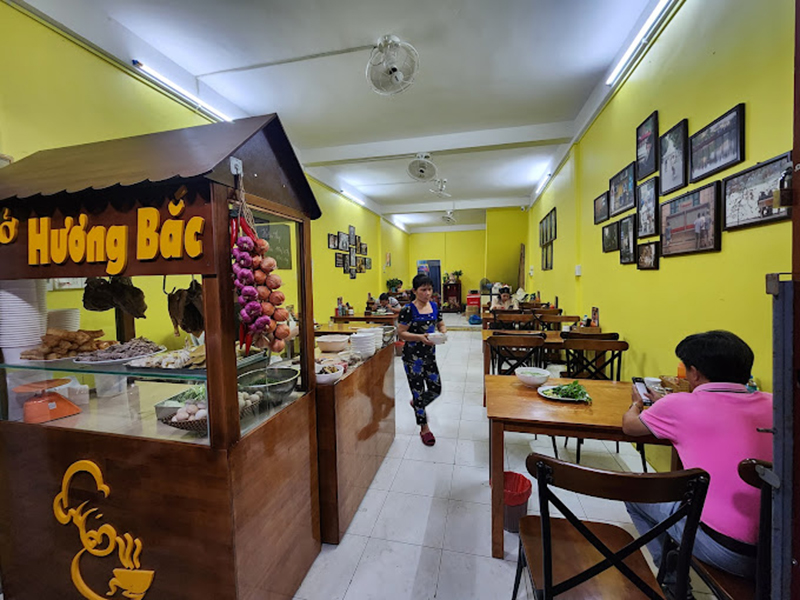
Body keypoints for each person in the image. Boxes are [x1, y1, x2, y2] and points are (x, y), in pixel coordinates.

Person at [622, 330, 772, 594]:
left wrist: (637, 404)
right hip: (780, 550)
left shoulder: (678, 405)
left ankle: (672, 582)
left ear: (695, 372)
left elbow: (630, 427)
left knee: (635, 493)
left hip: (728, 552)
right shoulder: (775, 404)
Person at [397, 273, 447, 446]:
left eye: (430, 289)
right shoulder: (408, 310)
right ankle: (424, 428)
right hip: (412, 359)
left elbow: (440, 323)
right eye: (423, 290)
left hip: (430, 356)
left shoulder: (434, 306)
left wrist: (443, 331)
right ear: (414, 291)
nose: (427, 293)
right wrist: (419, 337)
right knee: (418, 392)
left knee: (436, 389)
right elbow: (401, 333)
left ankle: (417, 403)